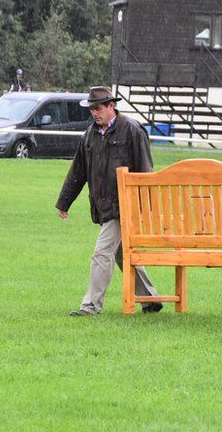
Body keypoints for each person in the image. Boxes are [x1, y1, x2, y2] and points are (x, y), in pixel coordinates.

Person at [56, 86, 162, 316]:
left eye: (98, 108)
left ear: (111, 106)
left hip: (126, 207)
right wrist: (64, 203)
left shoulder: (133, 131)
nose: (94, 113)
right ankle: (150, 299)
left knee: (102, 252)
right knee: (121, 253)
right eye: (91, 109)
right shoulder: (89, 136)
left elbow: (145, 171)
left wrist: (144, 210)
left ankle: (91, 306)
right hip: (105, 207)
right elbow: (78, 172)